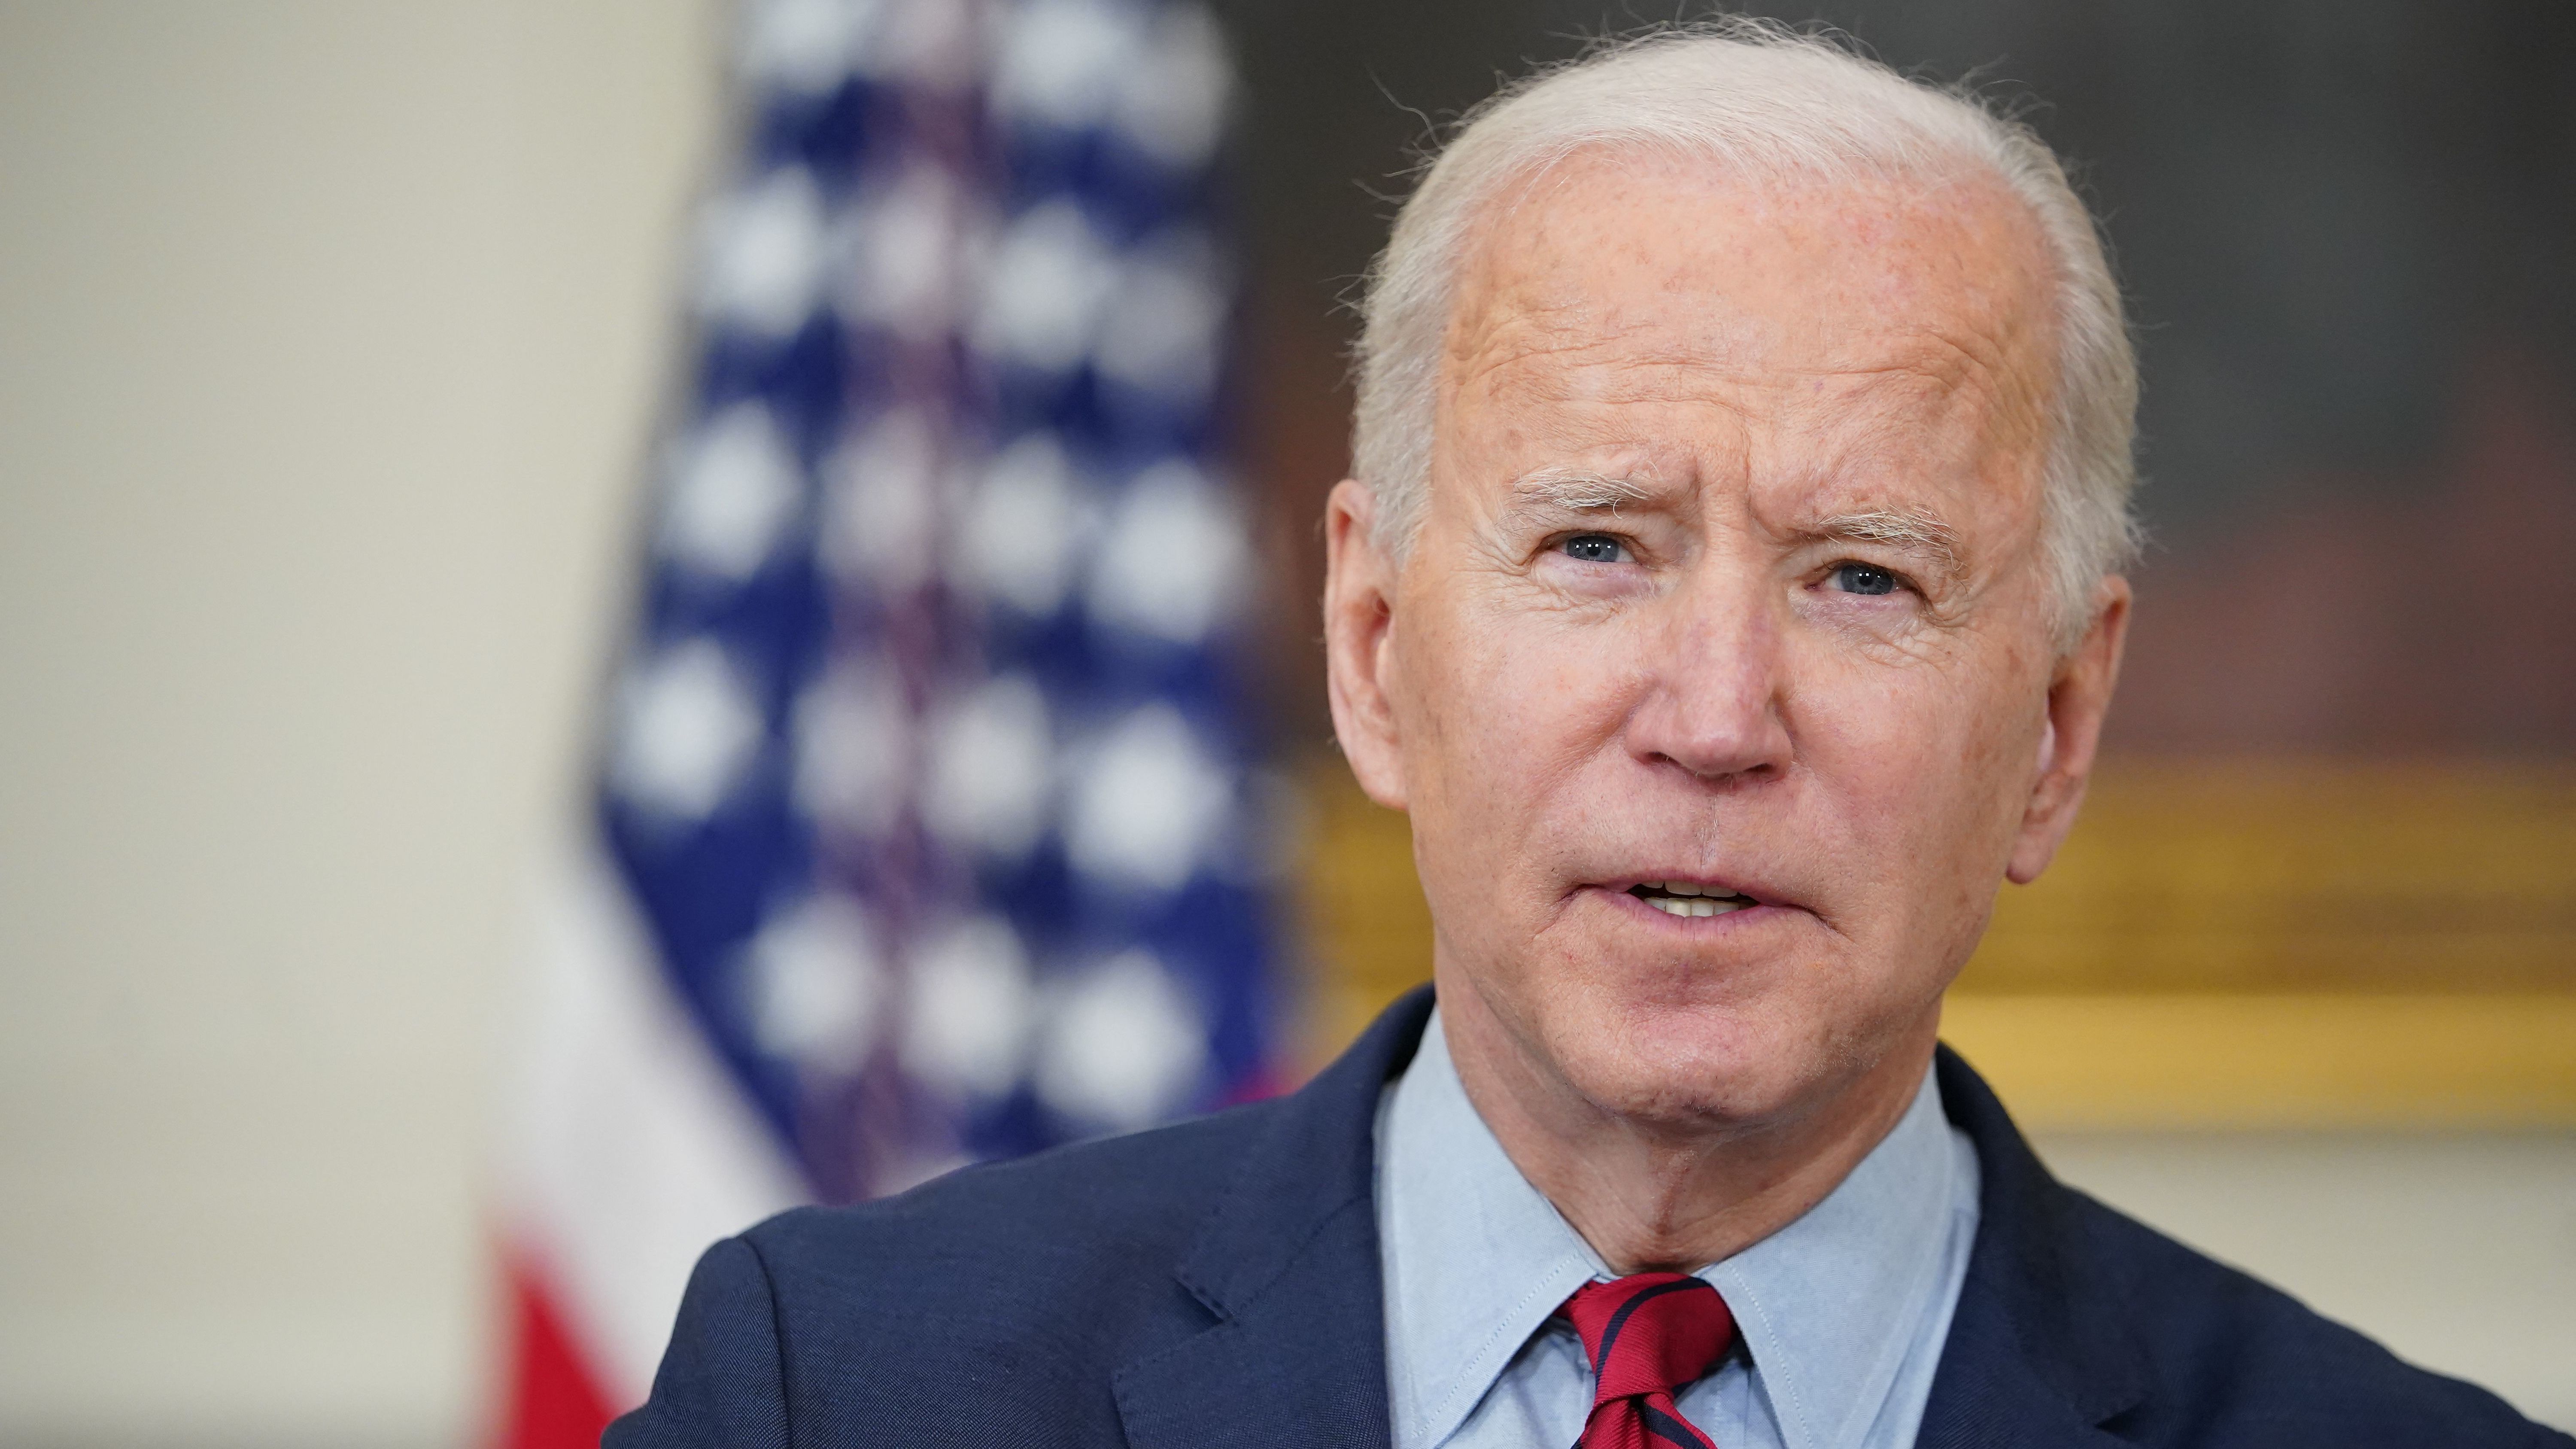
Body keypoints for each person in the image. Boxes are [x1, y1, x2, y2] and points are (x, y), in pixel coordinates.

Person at [606, 23, 2569, 1448]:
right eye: (1600, 544)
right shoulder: (838, 1390)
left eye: (1864, 580)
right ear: (1374, 651)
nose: (1718, 718)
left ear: (2057, 729)